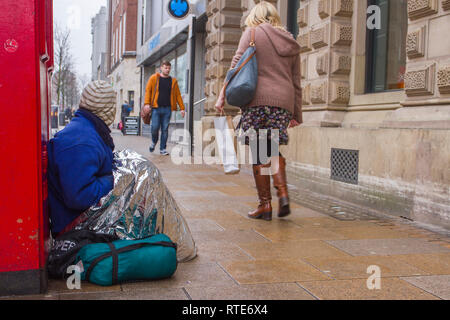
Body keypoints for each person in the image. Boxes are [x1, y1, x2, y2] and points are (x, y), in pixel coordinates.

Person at [215, 1, 302, 221]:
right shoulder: (290, 42)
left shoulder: (252, 33)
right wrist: (296, 113)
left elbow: (235, 67)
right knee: (270, 147)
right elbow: (296, 81)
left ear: (255, 16)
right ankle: (281, 193)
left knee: (259, 150)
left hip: (257, 100)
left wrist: (222, 95)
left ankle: (265, 205)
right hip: (283, 102)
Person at [47, 80, 116, 237]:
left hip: (79, 219)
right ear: (108, 109)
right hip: (73, 226)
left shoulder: (88, 129)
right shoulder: (82, 142)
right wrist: (114, 181)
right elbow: (79, 197)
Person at [142, 60, 185, 156]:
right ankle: (154, 141)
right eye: (166, 68)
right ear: (161, 68)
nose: (167, 70)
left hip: (167, 109)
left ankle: (163, 149)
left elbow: (178, 95)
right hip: (156, 109)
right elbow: (148, 91)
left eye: (169, 68)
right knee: (154, 128)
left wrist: (182, 108)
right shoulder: (154, 78)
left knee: (165, 129)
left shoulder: (173, 81)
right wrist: (147, 103)